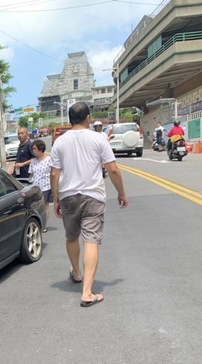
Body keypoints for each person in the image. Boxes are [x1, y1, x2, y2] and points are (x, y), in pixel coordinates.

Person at [50, 102, 128, 307]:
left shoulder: (59, 142)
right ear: (88, 118)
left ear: (69, 119)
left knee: (72, 237)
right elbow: (112, 169)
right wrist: (121, 193)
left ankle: (76, 272)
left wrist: (56, 199)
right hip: (93, 196)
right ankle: (87, 292)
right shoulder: (98, 138)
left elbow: (54, 173)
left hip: (68, 196)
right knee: (91, 241)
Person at [28, 139, 52, 232]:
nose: (33, 151)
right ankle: (38, 224)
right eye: (32, 149)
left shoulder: (49, 160)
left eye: (35, 148)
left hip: (46, 186)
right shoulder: (33, 161)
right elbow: (31, 174)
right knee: (35, 207)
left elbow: (53, 173)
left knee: (44, 206)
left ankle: (44, 225)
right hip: (35, 187)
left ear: (40, 148)